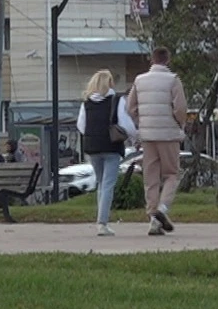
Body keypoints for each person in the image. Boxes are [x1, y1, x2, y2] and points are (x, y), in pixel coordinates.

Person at [126, 45, 190, 235]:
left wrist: (141, 121)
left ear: (151, 60)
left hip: (147, 136)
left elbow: (130, 107)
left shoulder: (139, 80)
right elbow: (180, 108)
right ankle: (163, 209)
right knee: (171, 174)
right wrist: (180, 125)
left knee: (150, 177)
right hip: (169, 134)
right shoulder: (173, 80)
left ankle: (153, 218)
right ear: (167, 60)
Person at [76, 69, 137, 236]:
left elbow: (81, 126)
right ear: (110, 84)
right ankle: (102, 223)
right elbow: (126, 124)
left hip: (92, 147)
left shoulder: (86, 103)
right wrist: (136, 137)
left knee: (101, 183)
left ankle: (100, 221)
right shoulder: (117, 101)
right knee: (108, 184)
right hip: (111, 146)